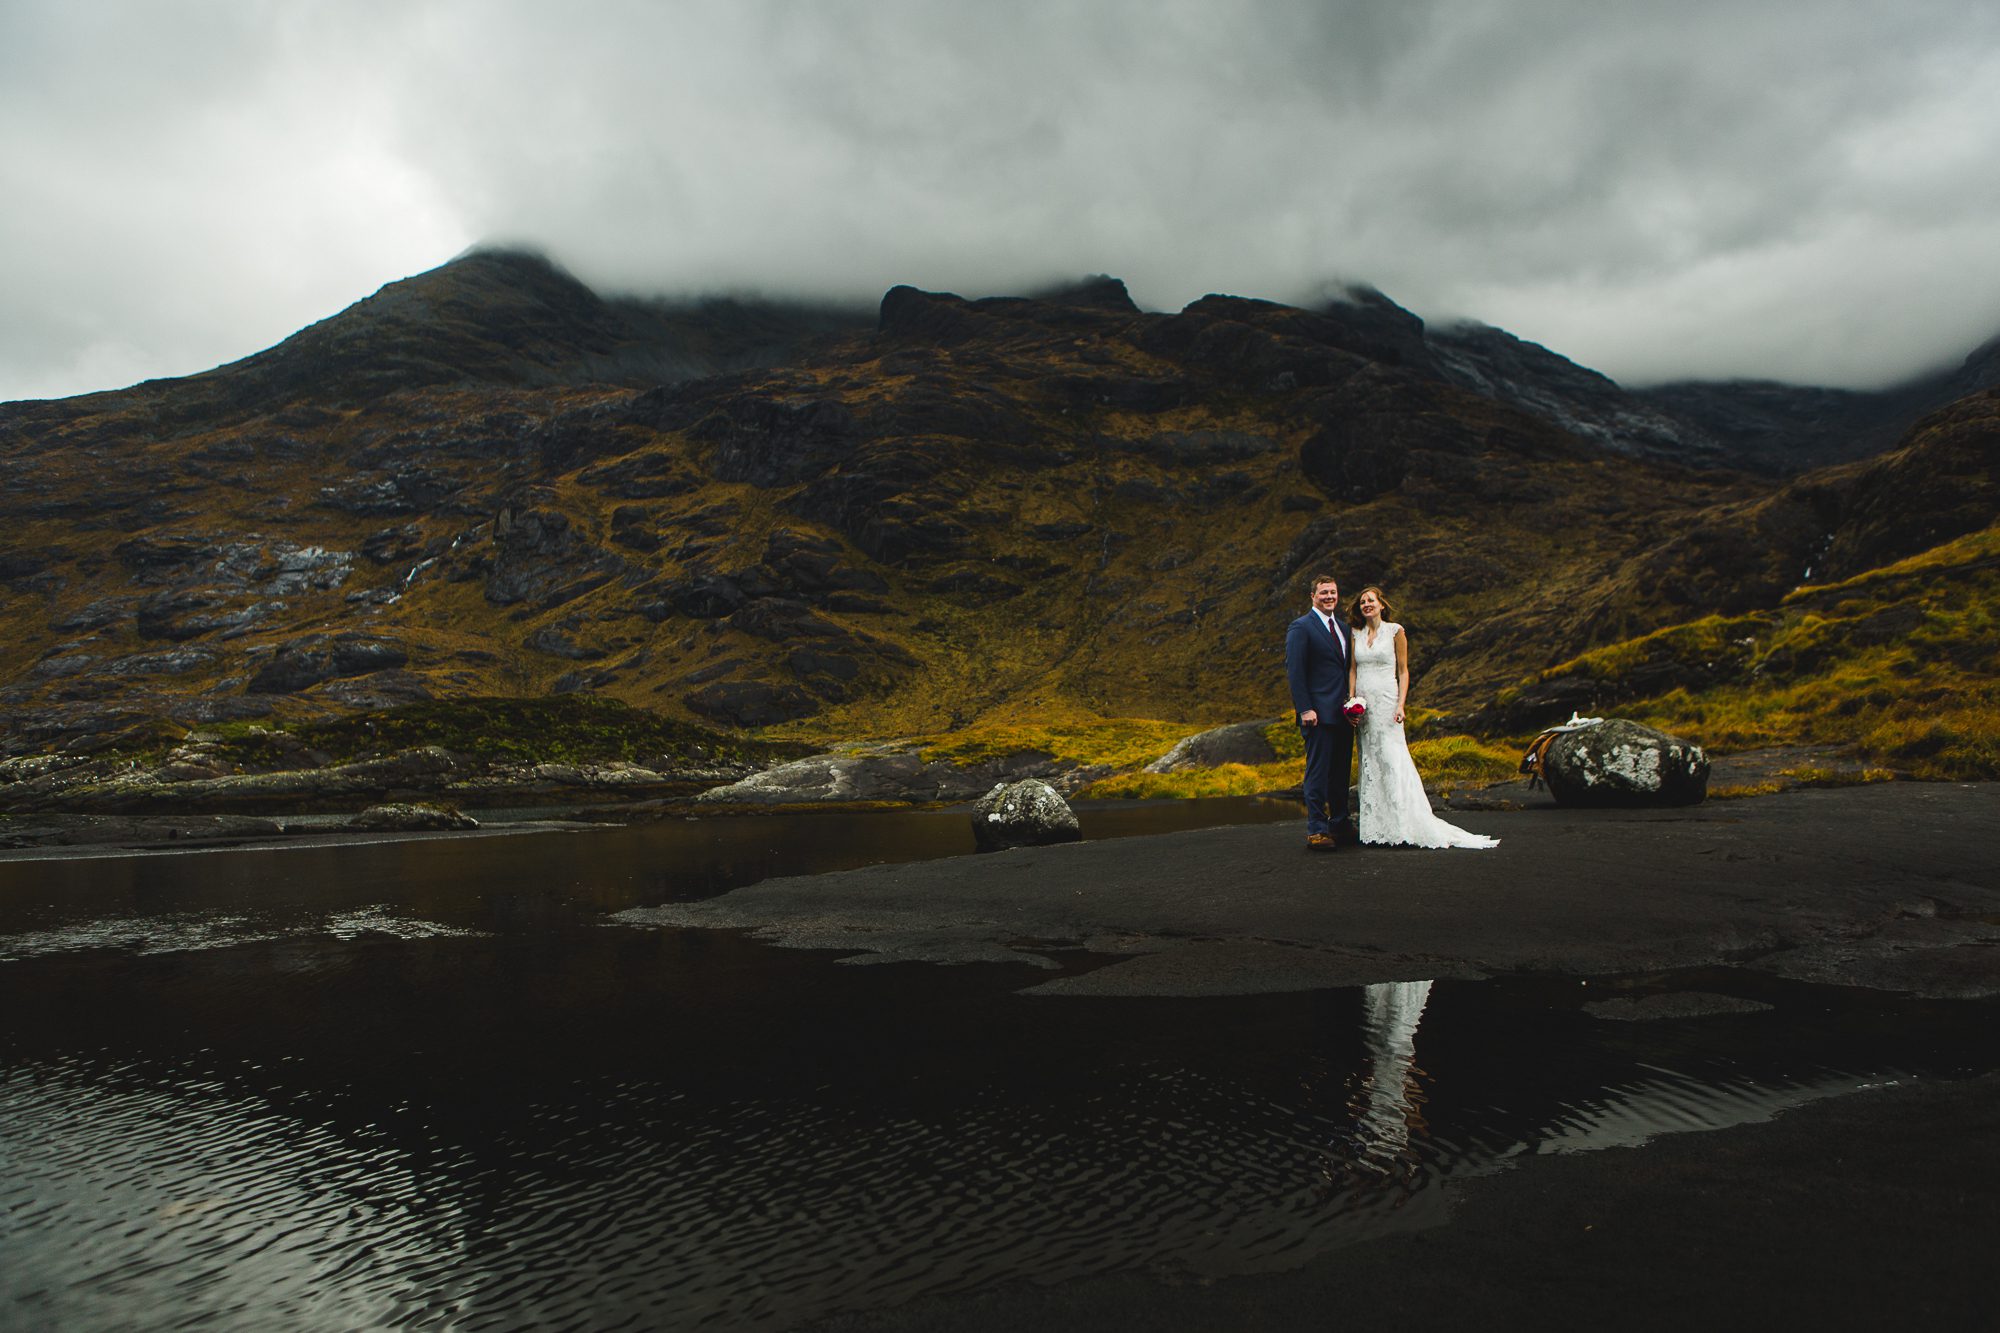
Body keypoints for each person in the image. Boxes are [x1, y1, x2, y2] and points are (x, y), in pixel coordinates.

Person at [1347, 586, 1498, 849]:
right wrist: (1351, 700)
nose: (1366, 605)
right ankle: (1378, 826)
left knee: (1393, 757)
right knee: (1370, 759)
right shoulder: (1356, 634)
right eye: (1362, 602)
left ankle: (1404, 822)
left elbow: (1403, 671)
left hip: (1386, 701)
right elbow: (1353, 669)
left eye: (1371, 600)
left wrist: (1401, 704)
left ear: (1382, 605)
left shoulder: (1396, 631)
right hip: (1364, 705)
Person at [1284, 573, 1355, 850]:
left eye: (1333, 593)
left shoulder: (1343, 628)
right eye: (1324, 592)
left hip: (1343, 715)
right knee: (1317, 773)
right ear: (1313, 596)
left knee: (1340, 773)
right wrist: (1305, 708)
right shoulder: (1301, 627)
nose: (1329, 597)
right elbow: (1295, 672)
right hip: (1317, 715)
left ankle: (1340, 824)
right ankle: (1317, 830)